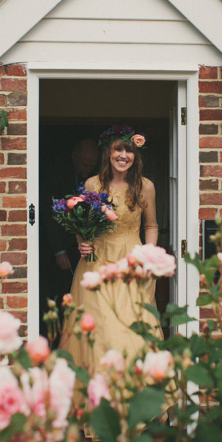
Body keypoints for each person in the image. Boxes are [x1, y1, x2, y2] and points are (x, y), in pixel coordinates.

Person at [59, 126, 163, 378]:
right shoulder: (92, 184)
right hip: (97, 261)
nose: (123, 155)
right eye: (118, 149)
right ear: (108, 152)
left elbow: (150, 225)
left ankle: (132, 395)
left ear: (136, 156)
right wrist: (81, 242)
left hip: (131, 261)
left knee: (129, 329)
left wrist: (148, 255)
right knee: (97, 327)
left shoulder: (145, 186)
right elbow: (80, 221)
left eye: (129, 150)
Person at [41, 138, 99, 339]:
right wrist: (59, 250)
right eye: (85, 164)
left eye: (92, 165)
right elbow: (49, 214)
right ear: (74, 157)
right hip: (58, 247)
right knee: (60, 294)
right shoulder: (56, 172)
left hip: (84, 248)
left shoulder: (95, 178)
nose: (88, 168)